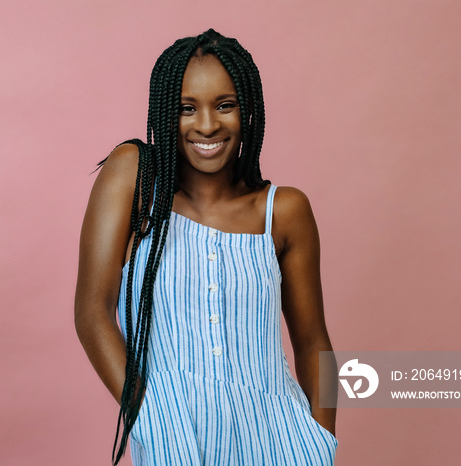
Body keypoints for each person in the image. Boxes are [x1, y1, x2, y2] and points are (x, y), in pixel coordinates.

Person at [75, 29, 338, 465]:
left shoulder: (284, 211)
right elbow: (92, 313)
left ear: (246, 110)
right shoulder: (136, 181)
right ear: (165, 113)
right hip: (173, 438)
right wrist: (153, 422)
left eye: (225, 105)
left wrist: (322, 443)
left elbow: (314, 342)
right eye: (186, 108)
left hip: (282, 446)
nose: (207, 125)